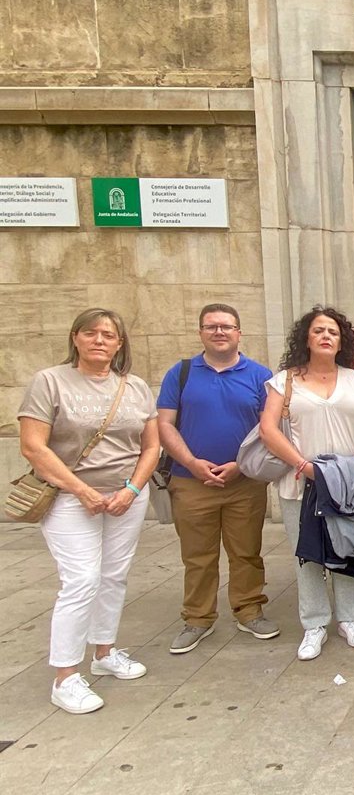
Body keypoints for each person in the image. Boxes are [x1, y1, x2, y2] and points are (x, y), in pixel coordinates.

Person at [18, 308, 158, 714]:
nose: (100, 340)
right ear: (75, 337)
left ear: (119, 344)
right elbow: (33, 446)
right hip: (69, 497)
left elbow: (151, 446)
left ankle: (104, 652)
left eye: (108, 335)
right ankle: (65, 676)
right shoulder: (50, 382)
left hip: (126, 496)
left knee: (114, 575)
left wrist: (132, 489)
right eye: (91, 333)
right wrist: (81, 490)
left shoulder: (134, 387)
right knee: (81, 580)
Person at [260, 306, 354, 661]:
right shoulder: (284, 381)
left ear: (342, 341)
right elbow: (268, 429)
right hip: (302, 482)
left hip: (350, 482)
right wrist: (303, 464)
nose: (326, 336)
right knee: (308, 555)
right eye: (318, 331)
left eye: (333, 332)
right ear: (306, 338)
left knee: (349, 548)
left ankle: (350, 619)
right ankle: (314, 624)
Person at [159, 304, 279, 655]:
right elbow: (164, 424)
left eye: (227, 326)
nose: (219, 332)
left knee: (246, 552)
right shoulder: (180, 373)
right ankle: (198, 618)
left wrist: (240, 465)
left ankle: (249, 610)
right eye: (211, 326)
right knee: (198, 556)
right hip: (191, 481)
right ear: (201, 332)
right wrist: (191, 462)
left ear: (239, 333)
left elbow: (268, 429)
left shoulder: (259, 375)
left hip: (244, 482)